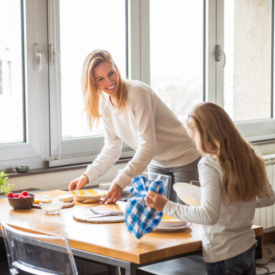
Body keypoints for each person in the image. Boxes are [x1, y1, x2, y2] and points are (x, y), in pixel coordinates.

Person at [145, 102, 275, 275]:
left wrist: (166, 206)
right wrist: (233, 203)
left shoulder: (209, 163)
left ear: (204, 133)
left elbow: (208, 215)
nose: (193, 139)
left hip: (223, 253)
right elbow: (268, 198)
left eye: (194, 134)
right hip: (247, 249)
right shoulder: (250, 156)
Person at [68, 49, 201, 204]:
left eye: (111, 73)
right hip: (155, 162)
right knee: (158, 216)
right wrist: (87, 175)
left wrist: (121, 181)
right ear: (93, 82)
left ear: (116, 68)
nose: (109, 82)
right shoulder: (104, 102)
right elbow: (112, 147)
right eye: (101, 78)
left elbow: (147, 147)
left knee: (186, 217)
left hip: (183, 158)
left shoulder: (137, 93)